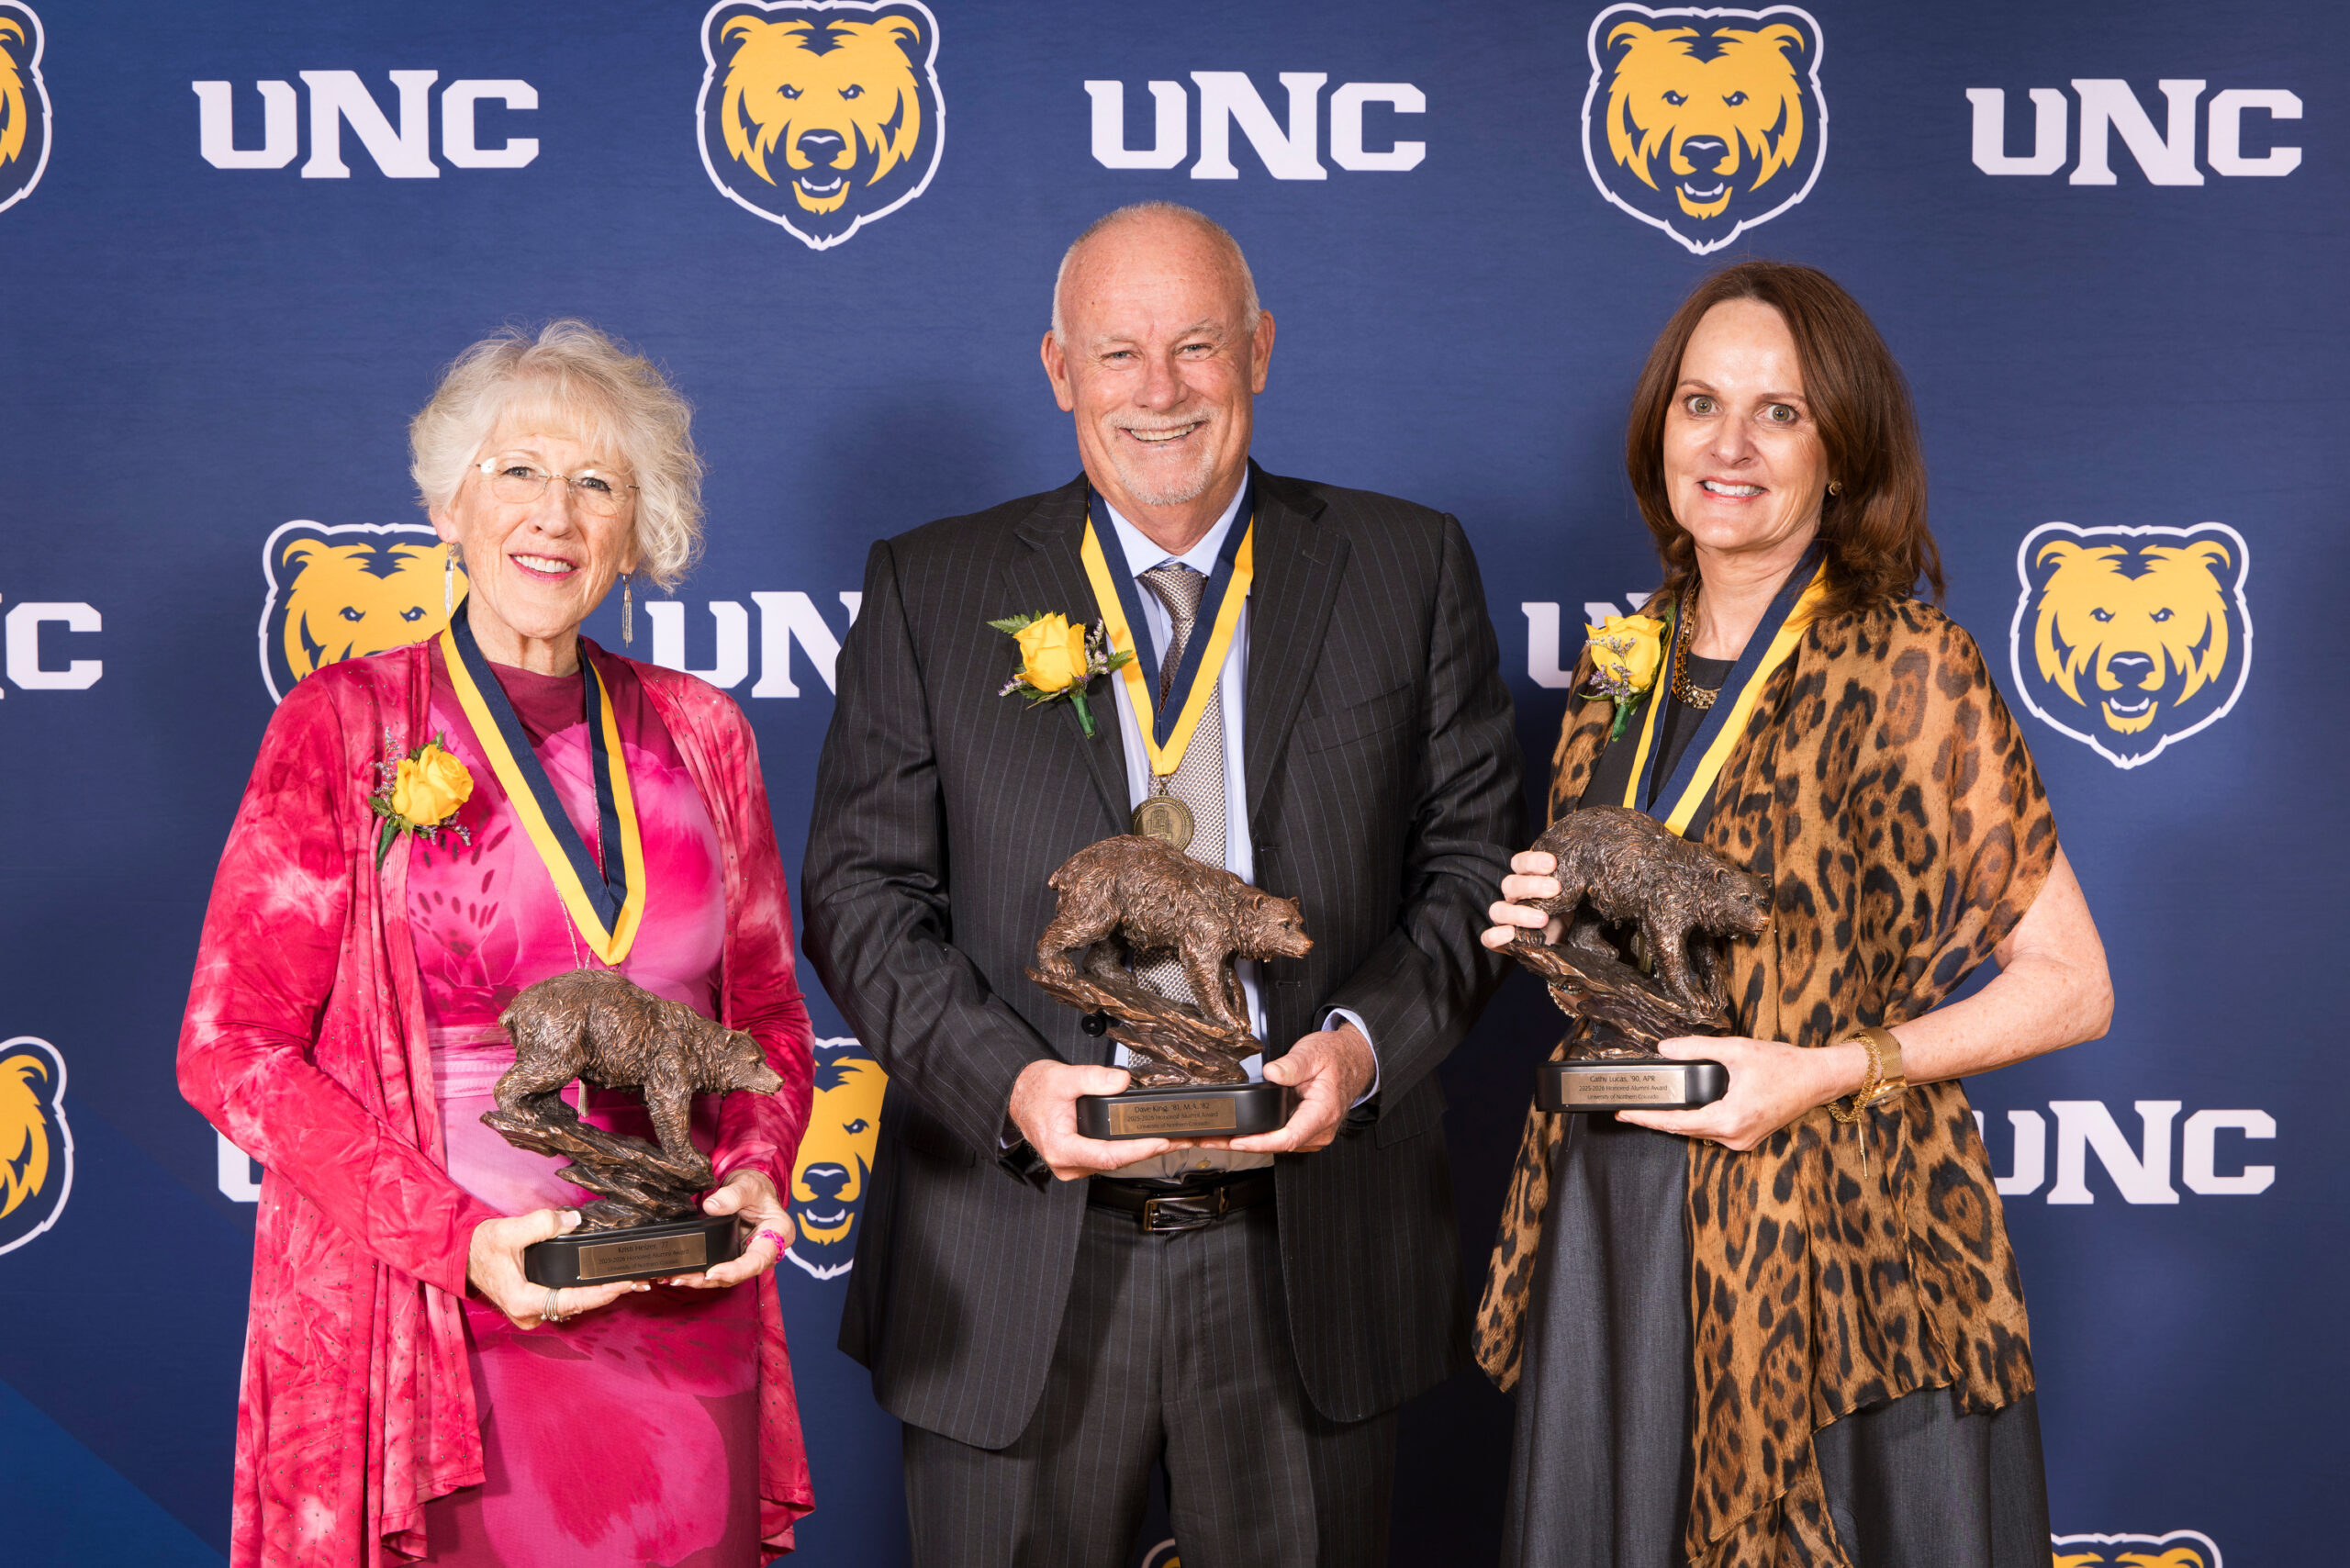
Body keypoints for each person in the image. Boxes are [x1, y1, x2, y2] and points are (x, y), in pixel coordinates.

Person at [801, 202, 1523, 1567]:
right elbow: (860, 894)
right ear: (1058, 369)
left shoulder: (1407, 567)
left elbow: (1472, 869)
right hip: (1012, 1256)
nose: (1161, 391)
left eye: (1197, 346)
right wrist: (1007, 1087)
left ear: (1259, 351)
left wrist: (1363, 1054)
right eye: (1118, 352)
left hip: (1304, 1262)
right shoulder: (932, 587)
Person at [1476, 263, 2114, 1568]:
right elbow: (1653, 972)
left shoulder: (1910, 665)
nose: (1729, 444)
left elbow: (2072, 984)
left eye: (1780, 412)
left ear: (1845, 449)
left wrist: (1823, 1071)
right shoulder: (1615, 670)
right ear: (1658, 432)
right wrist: (1552, 935)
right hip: (1620, 1225)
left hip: (1838, 1237)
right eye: (1701, 403)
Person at [179, 320, 816, 1567]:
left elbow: (768, 1023)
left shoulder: (702, 733)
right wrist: (452, 1238)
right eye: (519, 470)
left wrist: (752, 1168)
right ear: (447, 502)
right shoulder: (347, 722)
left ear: (636, 532)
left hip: (680, 1321)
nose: (556, 516)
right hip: (438, 1322)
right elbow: (231, 1048)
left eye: (598, 483)